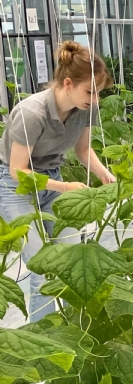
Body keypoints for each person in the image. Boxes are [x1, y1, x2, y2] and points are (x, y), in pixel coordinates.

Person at [0, 41, 116, 320]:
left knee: (71, 257)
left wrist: (104, 173)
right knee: (43, 267)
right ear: (67, 83)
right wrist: (65, 187)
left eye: (99, 93)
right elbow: (18, 170)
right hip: (14, 187)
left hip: (51, 180)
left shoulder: (86, 107)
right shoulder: (31, 113)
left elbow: (83, 150)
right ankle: (48, 340)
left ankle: (69, 330)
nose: (95, 99)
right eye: (90, 92)